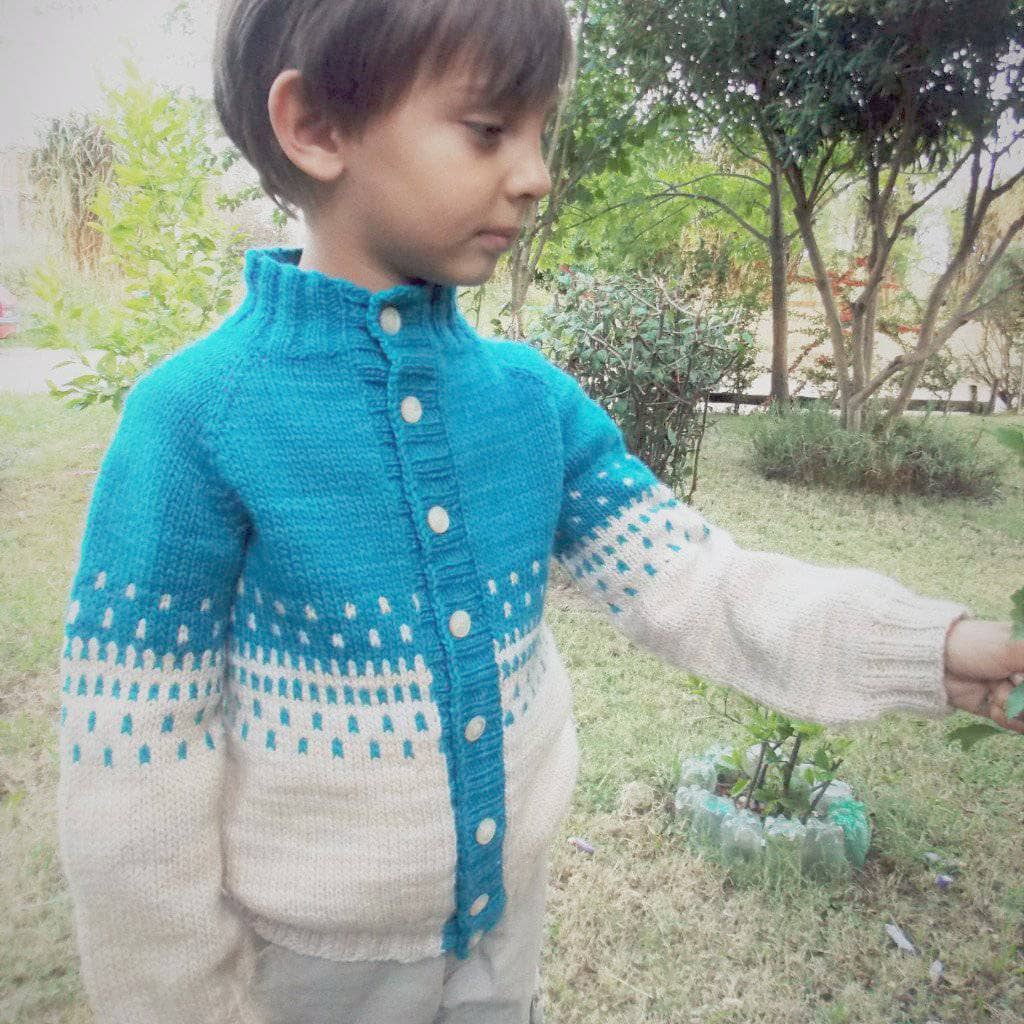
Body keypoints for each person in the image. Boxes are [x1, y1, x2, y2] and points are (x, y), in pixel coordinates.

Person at [55, 1, 1024, 1022]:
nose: (535, 174)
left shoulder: (528, 403)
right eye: (487, 130)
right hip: (314, 972)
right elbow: (134, 752)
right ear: (317, 128)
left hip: (500, 935)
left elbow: (699, 583)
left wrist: (933, 647)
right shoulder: (196, 417)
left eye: (539, 132)